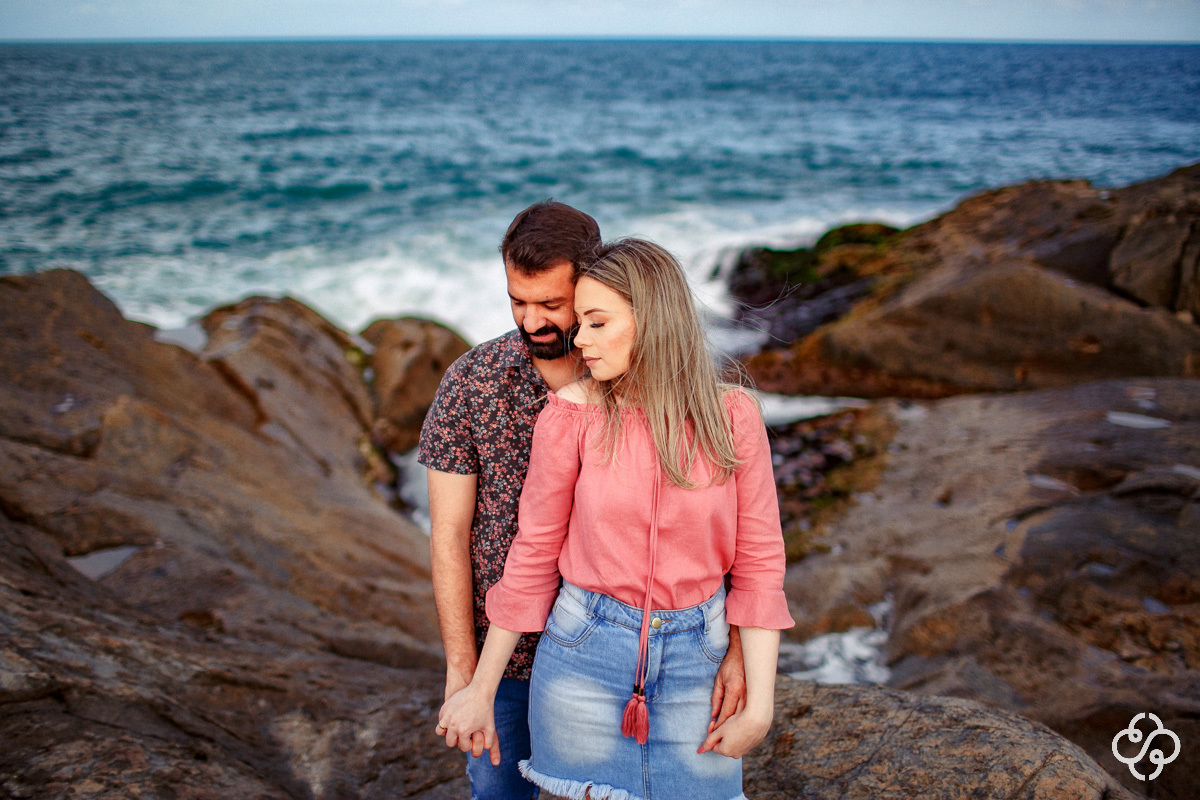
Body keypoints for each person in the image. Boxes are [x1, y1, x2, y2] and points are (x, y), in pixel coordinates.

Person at [435, 238, 793, 800]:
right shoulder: (571, 416)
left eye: (597, 323)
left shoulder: (735, 417)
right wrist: (479, 688)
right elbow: (532, 559)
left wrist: (762, 703)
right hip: (583, 655)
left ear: (650, 320)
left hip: (696, 660)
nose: (580, 340)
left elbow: (761, 563)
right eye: (579, 323)